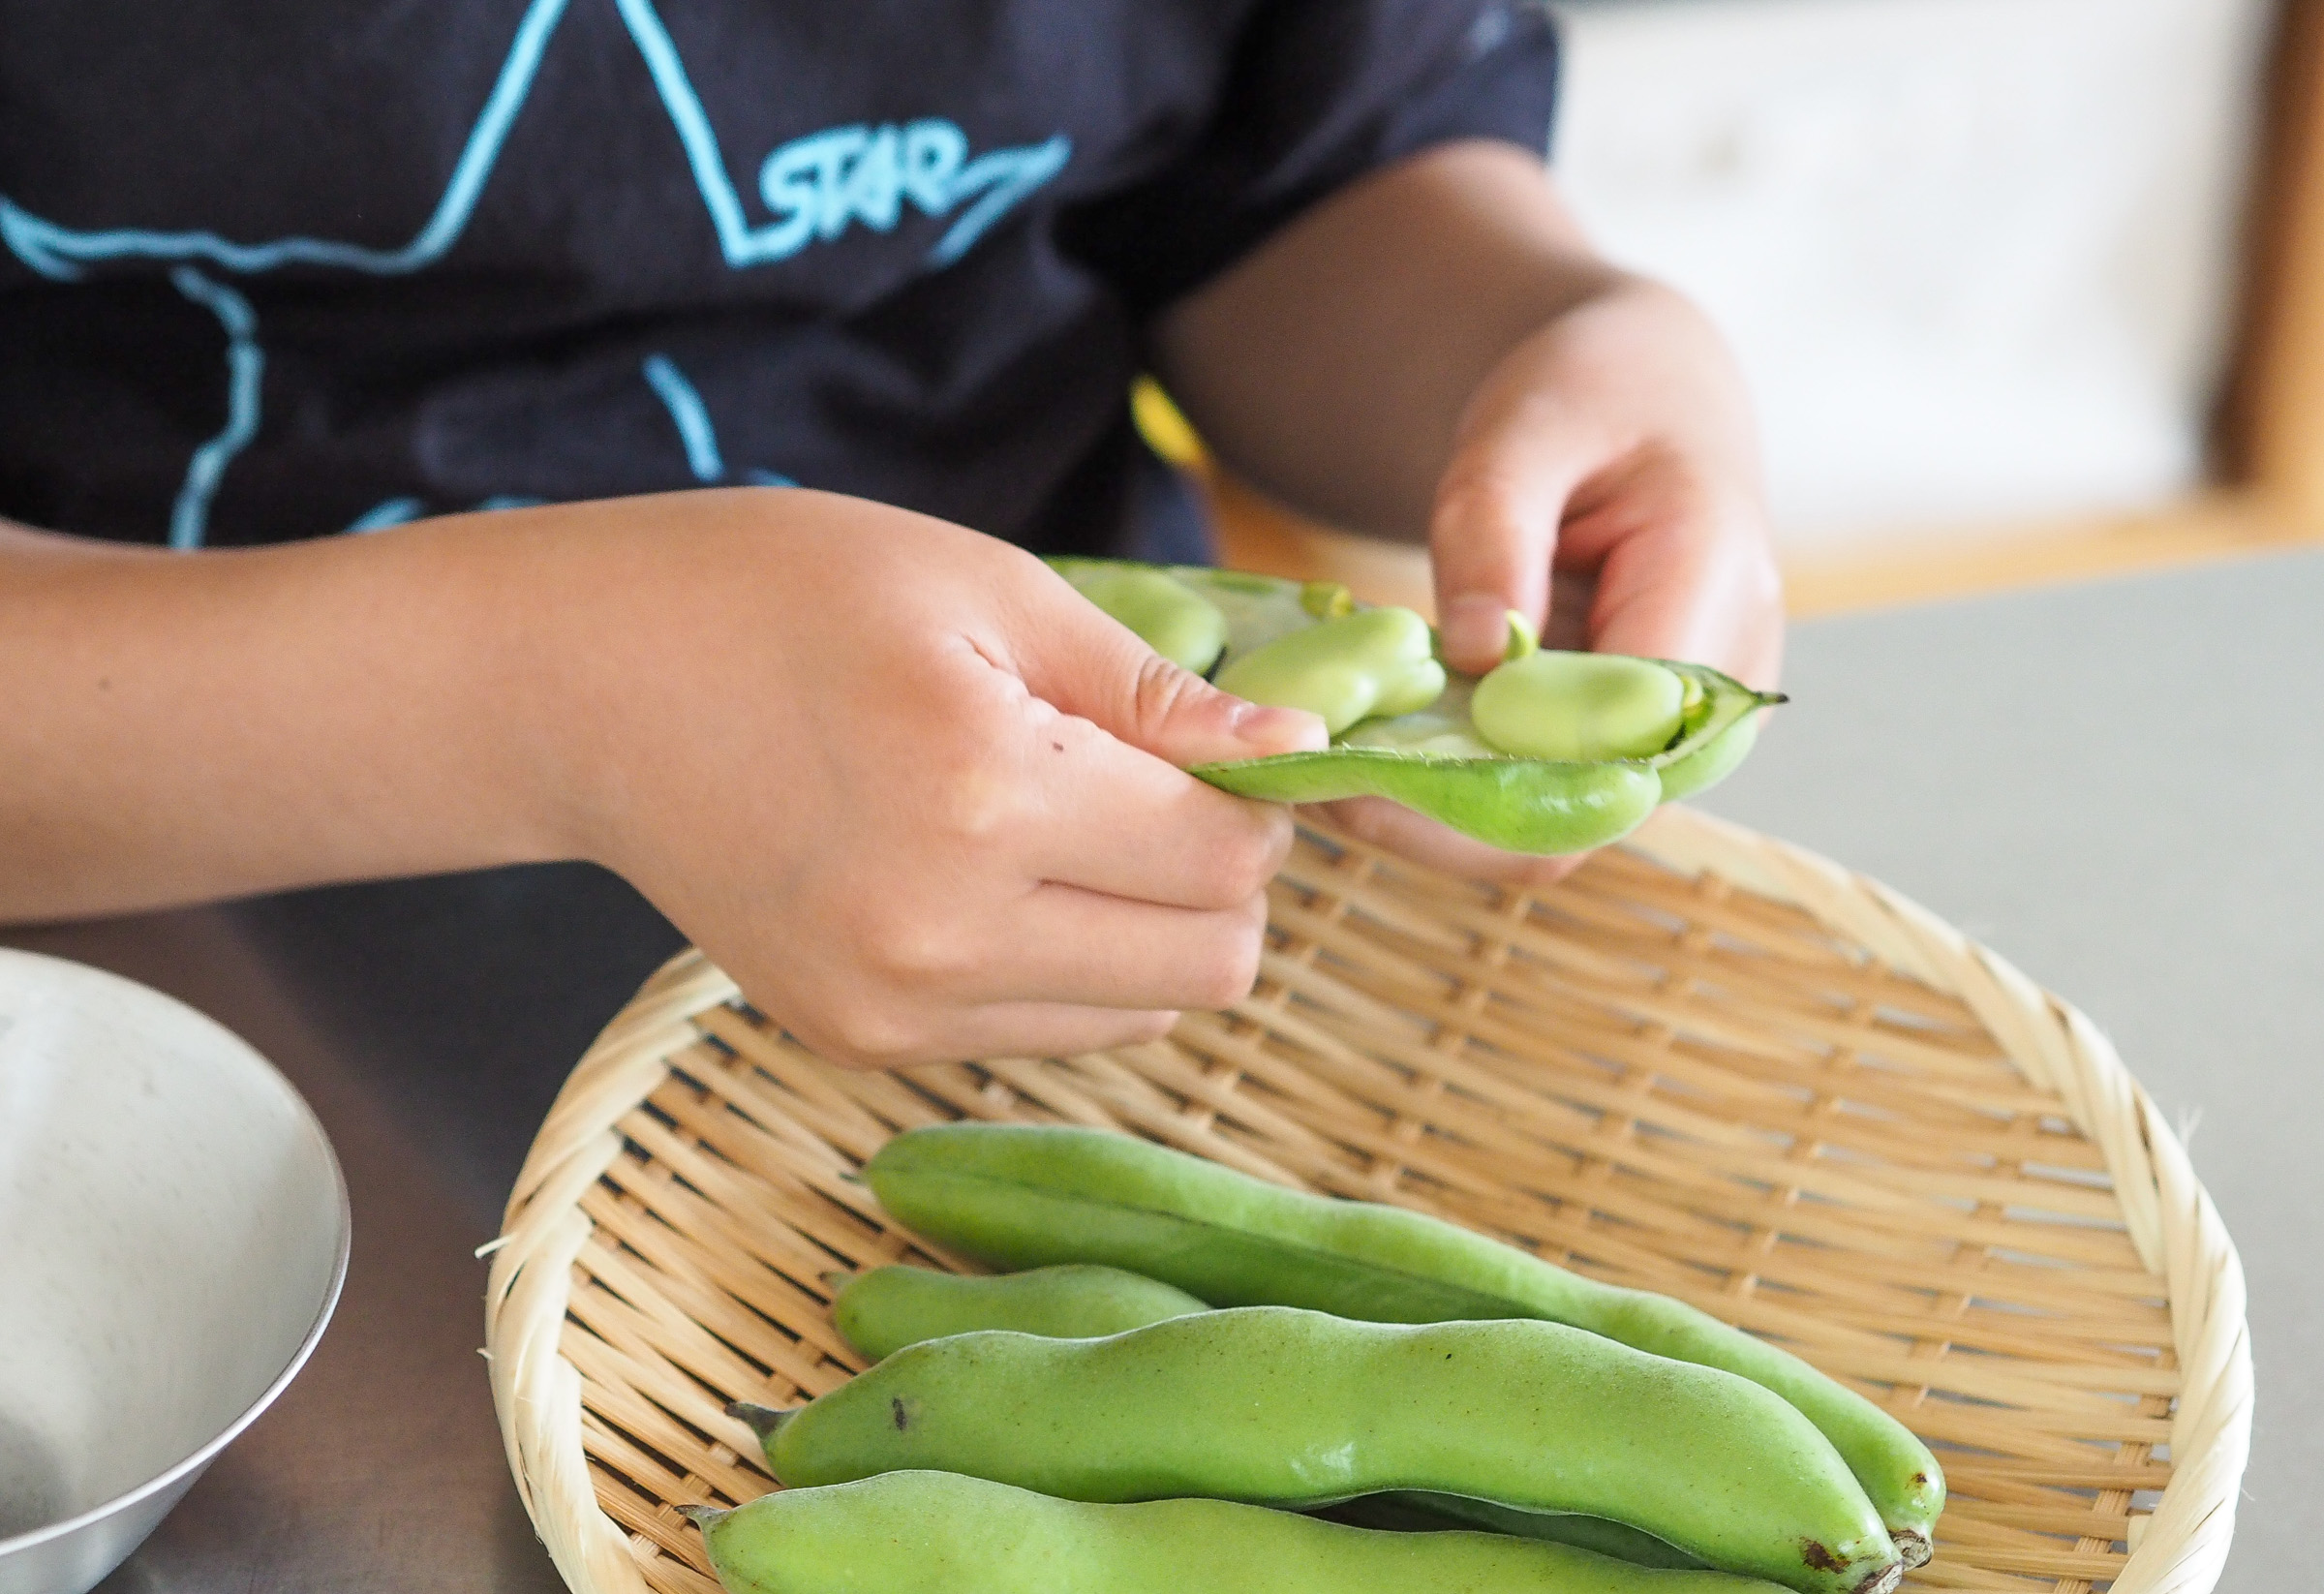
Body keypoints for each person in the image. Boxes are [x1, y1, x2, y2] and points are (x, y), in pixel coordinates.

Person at [0, 0, 1781, 1068]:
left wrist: (1546, 333)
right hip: (156, 1005)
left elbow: (1294, 173)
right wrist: (557, 700)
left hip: (1100, 922)